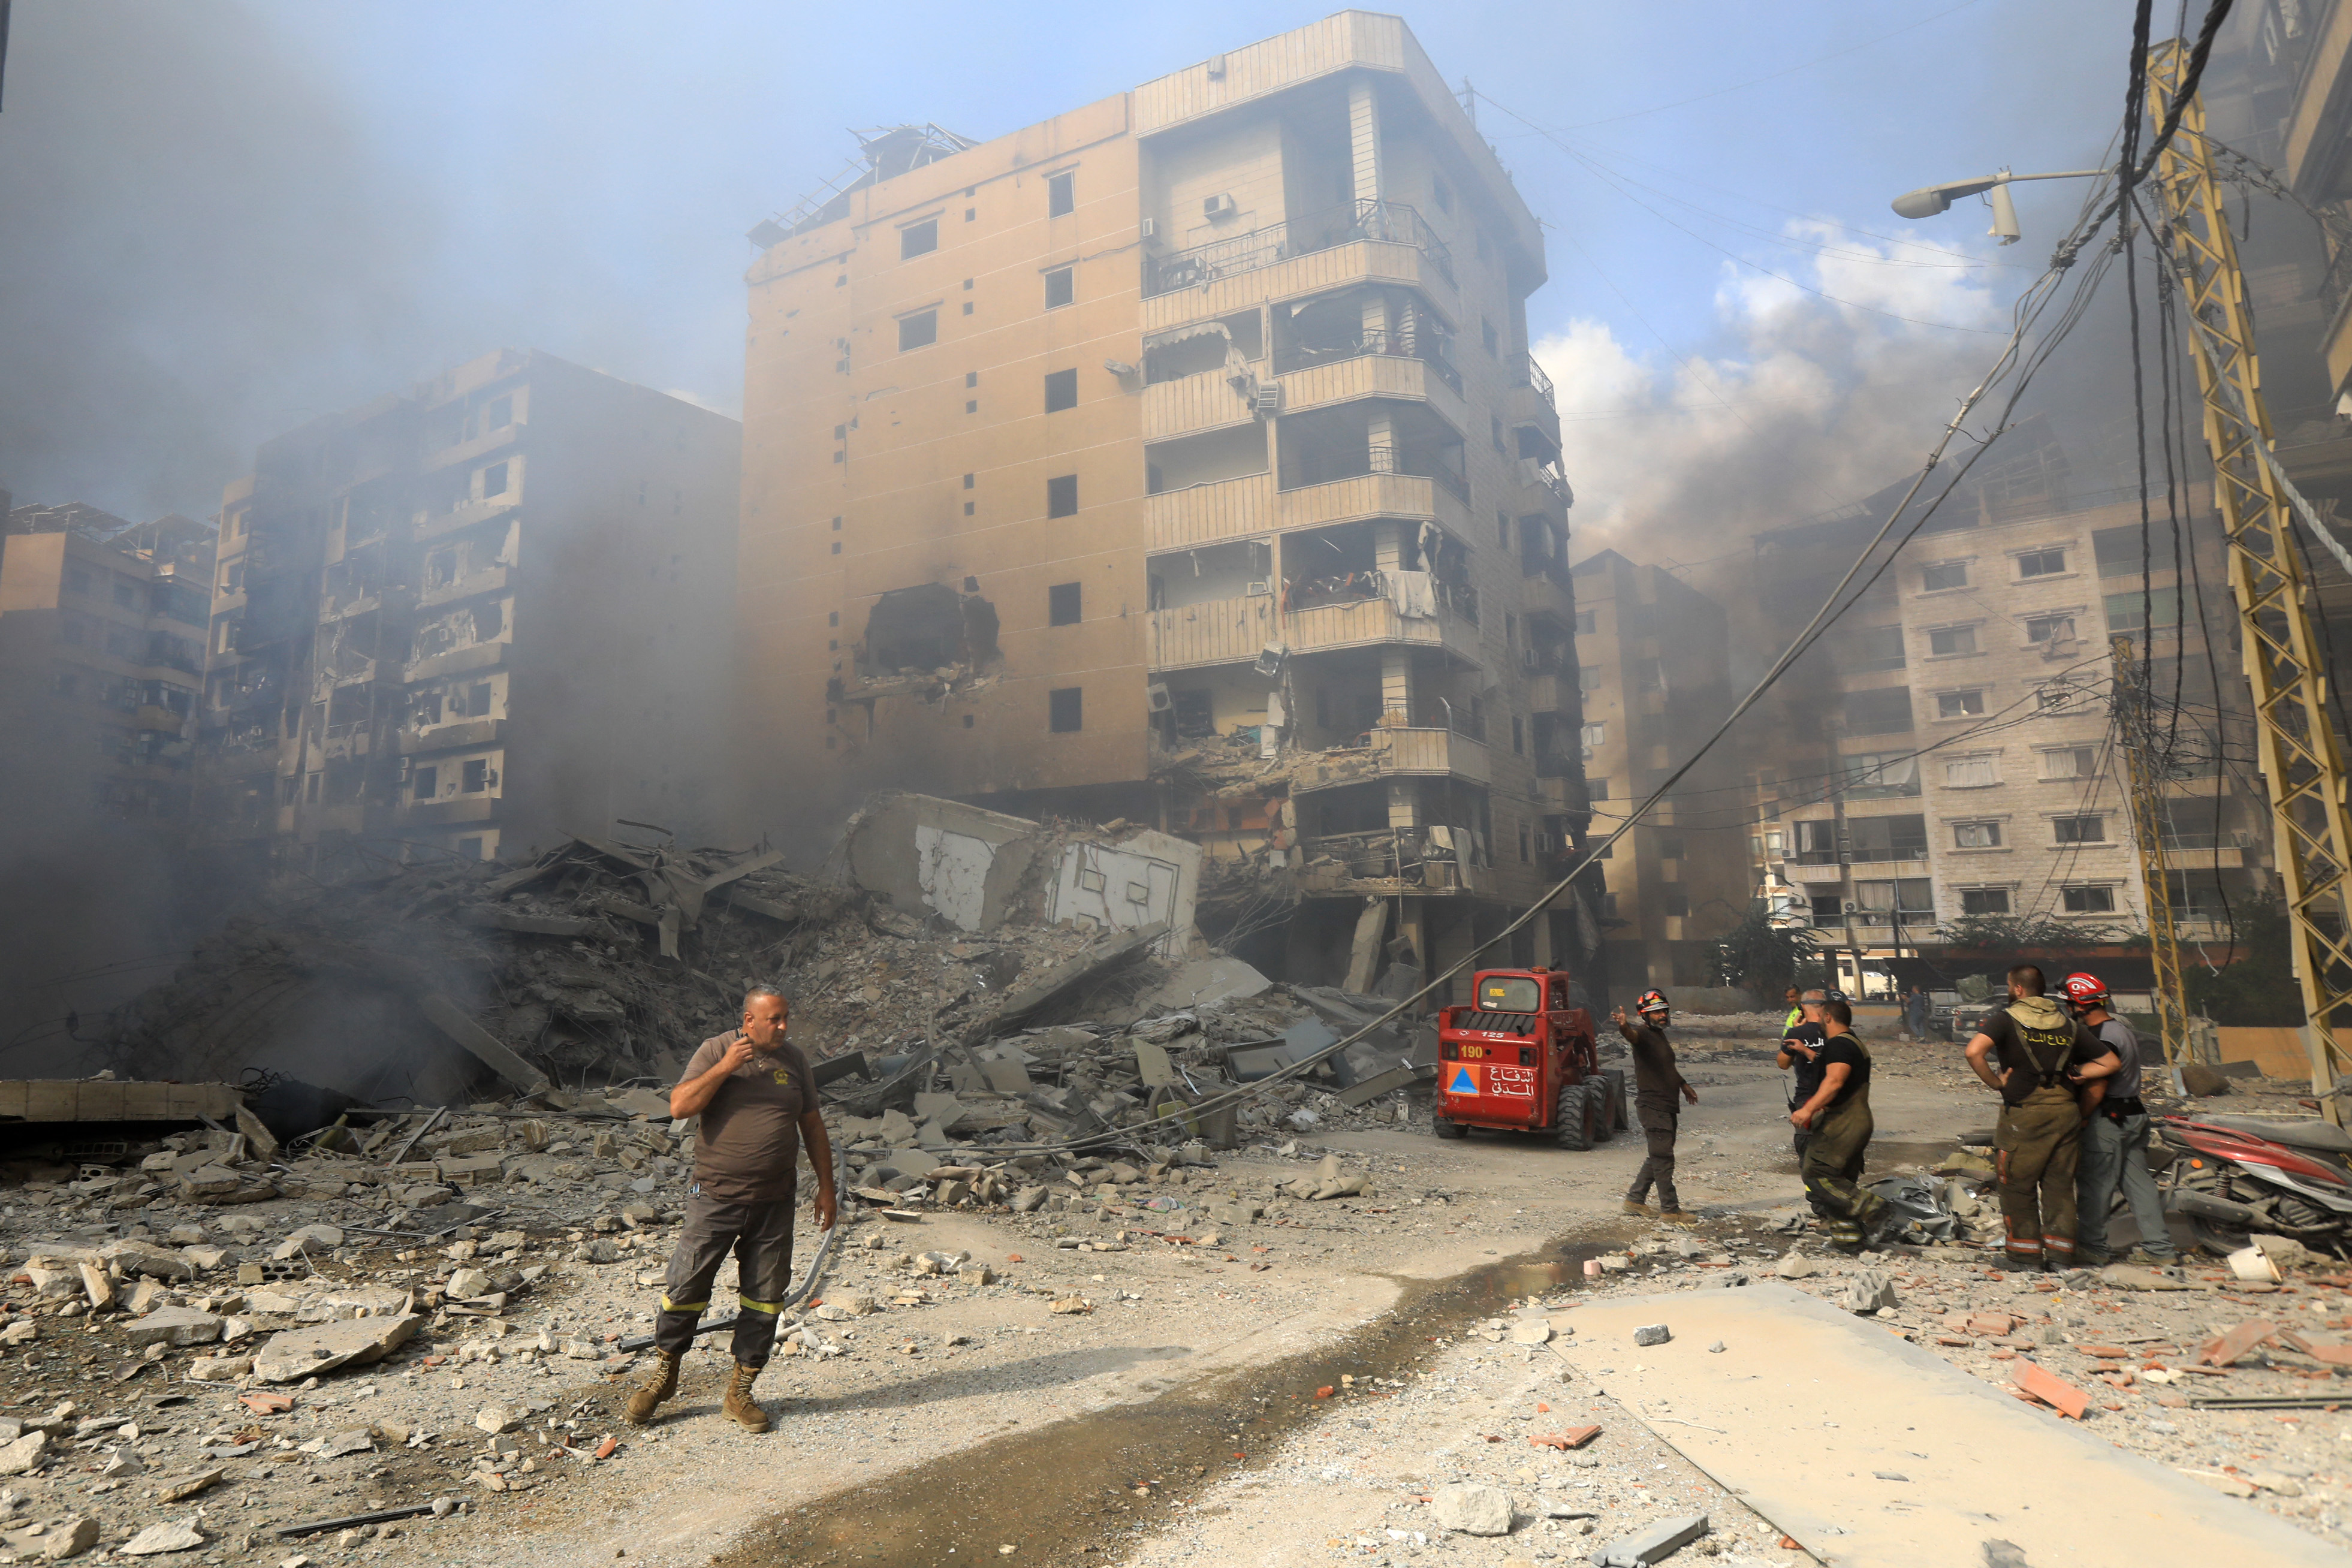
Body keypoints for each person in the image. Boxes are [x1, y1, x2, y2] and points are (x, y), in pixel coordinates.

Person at [627, 985, 839, 1431]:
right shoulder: (715, 1050)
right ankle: (665, 1376)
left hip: (774, 1201)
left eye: (785, 1018)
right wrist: (726, 1068)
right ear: (748, 1021)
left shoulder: (796, 1060)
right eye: (773, 1019)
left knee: (765, 1298)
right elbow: (681, 1106)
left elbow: (813, 1126)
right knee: (685, 1288)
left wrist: (826, 1187)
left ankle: (740, 1392)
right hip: (716, 1196)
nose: (783, 1027)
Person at [1964, 964, 2119, 1273]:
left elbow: (1973, 1052)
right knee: (2060, 1188)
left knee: (2016, 1185)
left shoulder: (2006, 1019)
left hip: (2025, 1113)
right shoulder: (2068, 1022)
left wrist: (1997, 1083)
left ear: (2018, 989)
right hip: (2065, 1112)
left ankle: (2024, 1257)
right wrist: (2078, 1074)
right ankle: (2061, 1257)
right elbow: (2111, 1062)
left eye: (2010, 986)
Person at [2064, 972, 2178, 1268]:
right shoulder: (2121, 1029)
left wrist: (2083, 1119)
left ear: (2079, 1005)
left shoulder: (2099, 1037)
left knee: (2095, 1187)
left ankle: (2092, 1249)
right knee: (2140, 1187)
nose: (2069, 1010)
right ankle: (2160, 1248)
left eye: (2070, 1004)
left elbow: (2098, 1086)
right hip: (2135, 1115)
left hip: (2108, 1120)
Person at [1790, 997, 1885, 1251]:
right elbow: (1830, 1068)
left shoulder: (1840, 1044)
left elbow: (1835, 1081)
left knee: (1817, 1172)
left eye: (1821, 1017)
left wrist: (1807, 1109)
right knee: (1841, 1180)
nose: (1818, 1022)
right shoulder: (1850, 1043)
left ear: (1829, 1018)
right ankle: (1849, 1241)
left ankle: (1875, 1208)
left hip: (1844, 1121)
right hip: (1854, 1119)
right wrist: (1806, 1051)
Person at [1611, 990, 1699, 1224]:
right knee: (1664, 1158)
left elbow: (1665, 1067)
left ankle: (1635, 1200)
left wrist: (1683, 1084)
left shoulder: (1659, 1035)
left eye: (1664, 1011)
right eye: (1656, 1012)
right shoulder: (1641, 1033)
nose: (1662, 1016)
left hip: (1667, 1105)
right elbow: (1631, 1036)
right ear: (1644, 1015)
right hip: (1653, 1106)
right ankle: (1670, 1211)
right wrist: (1623, 1026)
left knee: (1658, 1155)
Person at [1777, 989, 1835, 1163]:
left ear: (1802, 1008)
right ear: (1825, 1008)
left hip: (1807, 1100)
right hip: (1837, 1099)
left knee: (1810, 1159)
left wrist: (1794, 1033)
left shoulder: (1797, 1034)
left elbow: (1783, 1064)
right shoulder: (1837, 1032)